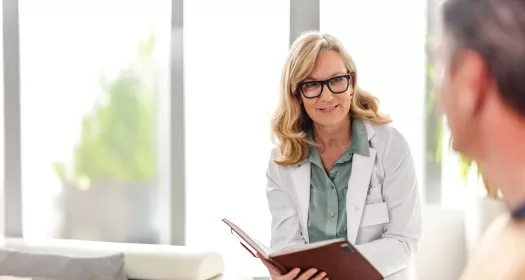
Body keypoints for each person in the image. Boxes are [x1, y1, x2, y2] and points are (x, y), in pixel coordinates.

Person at [261, 31, 422, 280]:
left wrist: (337, 270)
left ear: (352, 82)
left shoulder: (390, 146)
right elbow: (286, 246)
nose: (327, 96)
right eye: (311, 85)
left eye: (336, 80)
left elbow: (403, 242)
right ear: (297, 95)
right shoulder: (282, 161)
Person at [437, 0, 525, 279]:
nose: (437, 96)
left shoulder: (511, 261)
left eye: (439, 66)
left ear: (470, 80)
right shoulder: (504, 238)